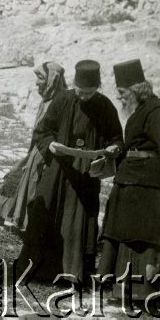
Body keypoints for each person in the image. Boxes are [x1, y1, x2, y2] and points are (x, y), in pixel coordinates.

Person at [16, 60, 124, 283]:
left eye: (89, 92)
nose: (83, 96)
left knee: (78, 219)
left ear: (97, 88)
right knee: (45, 214)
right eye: (80, 91)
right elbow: (43, 131)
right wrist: (51, 145)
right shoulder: (63, 99)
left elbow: (116, 138)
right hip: (58, 168)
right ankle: (39, 271)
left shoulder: (105, 106)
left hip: (86, 174)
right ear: (74, 85)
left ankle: (72, 274)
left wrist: (113, 149)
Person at [98, 59, 160, 302]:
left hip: (146, 187)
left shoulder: (157, 113)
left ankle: (143, 291)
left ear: (136, 90)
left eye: (123, 93)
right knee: (124, 233)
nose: (120, 98)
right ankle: (124, 289)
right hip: (131, 183)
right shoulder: (141, 110)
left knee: (142, 237)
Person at [0, 62, 67, 228]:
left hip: (47, 154)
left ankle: (26, 223)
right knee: (16, 174)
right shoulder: (47, 99)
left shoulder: (62, 102)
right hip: (36, 150)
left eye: (40, 78)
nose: (37, 83)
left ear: (52, 80)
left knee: (32, 185)